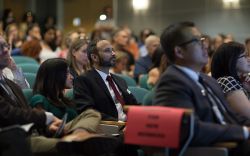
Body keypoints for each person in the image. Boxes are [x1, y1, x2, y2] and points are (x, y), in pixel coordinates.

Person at [0, 35, 118, 156]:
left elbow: (25, 113)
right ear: (55, 77)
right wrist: (47, 120)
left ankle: (81, 136)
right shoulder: (40, 99)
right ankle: (79, 140)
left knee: (94, 116)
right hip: (24, 137)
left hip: (68, 129)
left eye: (6, 46)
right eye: (0, 47)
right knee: (102, 142)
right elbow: (10, 114)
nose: (5, 50)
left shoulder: (12, 85)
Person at [153, 21, 250, 156]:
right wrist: (243, 132)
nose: (205, 45)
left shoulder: (208, 80)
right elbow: (190, 128)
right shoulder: (172, 82)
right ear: (179, 51)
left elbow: (230, 117)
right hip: (218, 149)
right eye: (197, 41)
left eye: (203, 39)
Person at [73, 39, 138, 121]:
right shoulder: (83, 80)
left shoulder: (120, 80)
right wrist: (119, 124)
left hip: (129, 124)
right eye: (107, 51)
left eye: (113, 50)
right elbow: (88, 112)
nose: (113, 54)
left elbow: (134, 104)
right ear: (94, 57)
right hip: (109, 128)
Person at [211, 42, 250, 119]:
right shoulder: (227, 81)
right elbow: (248, 115)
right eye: (244, 56)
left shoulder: (239, 81)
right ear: (232, 60)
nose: (249, 59)